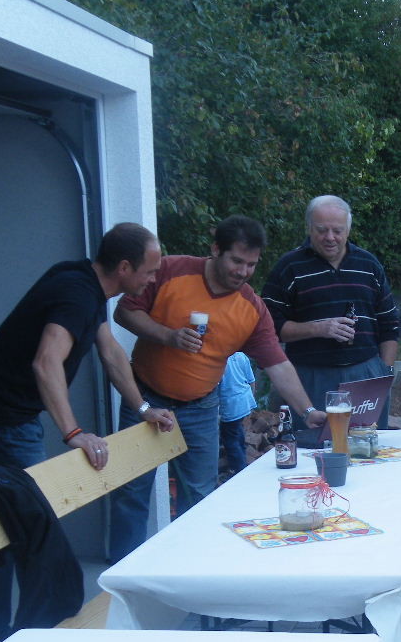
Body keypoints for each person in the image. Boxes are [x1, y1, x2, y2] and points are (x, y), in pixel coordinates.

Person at [0, 222, 177, 642]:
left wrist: (143, 409)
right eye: (149, 272)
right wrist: (73, 432)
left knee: (11, 522)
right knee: (19, 526)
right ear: (124, 267)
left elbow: (111, 353)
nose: (152, 280)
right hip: (1, 420)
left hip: (6, 416)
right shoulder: (77, 293)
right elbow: (46, 362)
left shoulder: (86, 285)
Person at [108, 215, 325, 561]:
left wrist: (308, 410)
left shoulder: (251, 308)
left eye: (251, 264)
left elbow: (278, 364)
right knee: (131, 492)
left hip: (201, 406)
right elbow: (124, 313)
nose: (243, 271)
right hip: (146, 397)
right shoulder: (171, 270)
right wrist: (167, 336)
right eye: (236, 261)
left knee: (199, 494)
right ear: (215, 250)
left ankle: (192, 567)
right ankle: (120, 574)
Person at [261, 195, 400, 432]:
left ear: (348, 229)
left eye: (337, 230)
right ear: (309, 228)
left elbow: (389, 323)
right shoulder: (289, 267)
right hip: (310, 377)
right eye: (322, 230)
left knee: (366, 447)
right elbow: (268, 328)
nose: (330, 237)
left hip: (365, 373)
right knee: (313, 448)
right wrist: (318, 328)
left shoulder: (368, 265)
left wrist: (383, 375)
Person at [218, 352, 256, 478]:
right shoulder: (241, 356)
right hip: (244, 398)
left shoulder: (219, 360)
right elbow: (251, 380)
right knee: (237, 431)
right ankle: (242, 459)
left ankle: (239, 471)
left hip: (231, 404)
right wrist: (251, 400)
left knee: (230, 440)